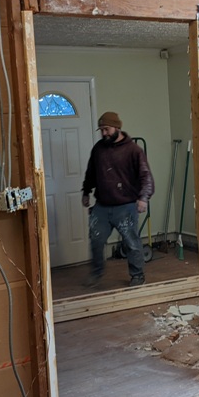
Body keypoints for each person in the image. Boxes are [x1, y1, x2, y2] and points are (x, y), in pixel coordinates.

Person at [82, 111, 155, 288]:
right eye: (101, 130)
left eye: (106, 129)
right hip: (102, 206)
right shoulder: (98, 149)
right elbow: (91, 172)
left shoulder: (133, 150)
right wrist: (86, 191)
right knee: (96, 239)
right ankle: (97, 272)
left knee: (131, 243)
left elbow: (146, 176)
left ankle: (137, 276)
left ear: (117, 127)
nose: (104, 133)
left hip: (126, 206)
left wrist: (143, 197)